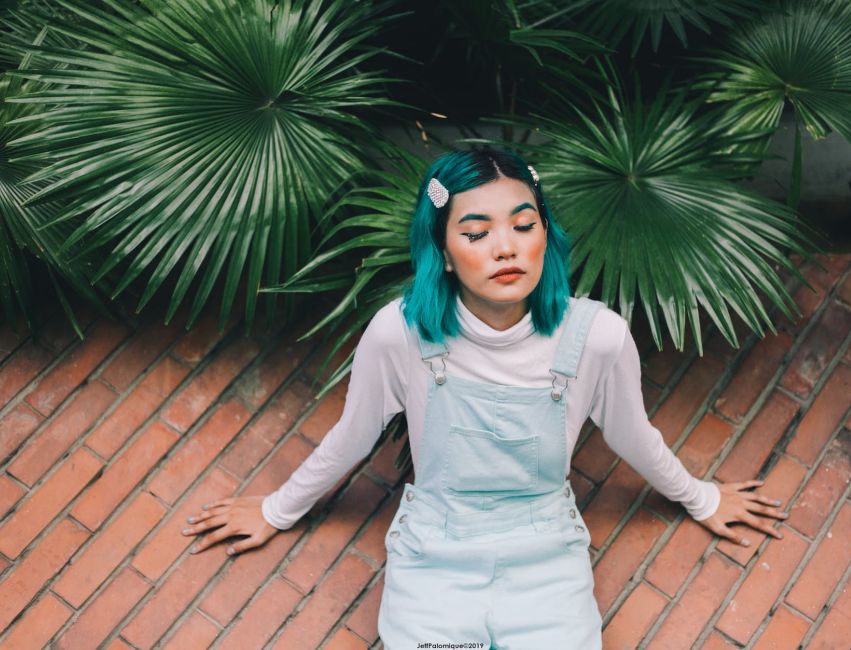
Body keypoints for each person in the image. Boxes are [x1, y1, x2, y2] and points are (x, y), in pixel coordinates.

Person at [183, 148, 788, 648]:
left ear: (545, 236)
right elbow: (353, 435)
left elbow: (632, 434)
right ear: (443, 252)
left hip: (546, 550)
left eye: (524, 227)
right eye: (477, 233)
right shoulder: (401, 333)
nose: (506, 247)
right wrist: (275, 510)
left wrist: (700, 498)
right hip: (436, 548)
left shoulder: (596, 336)